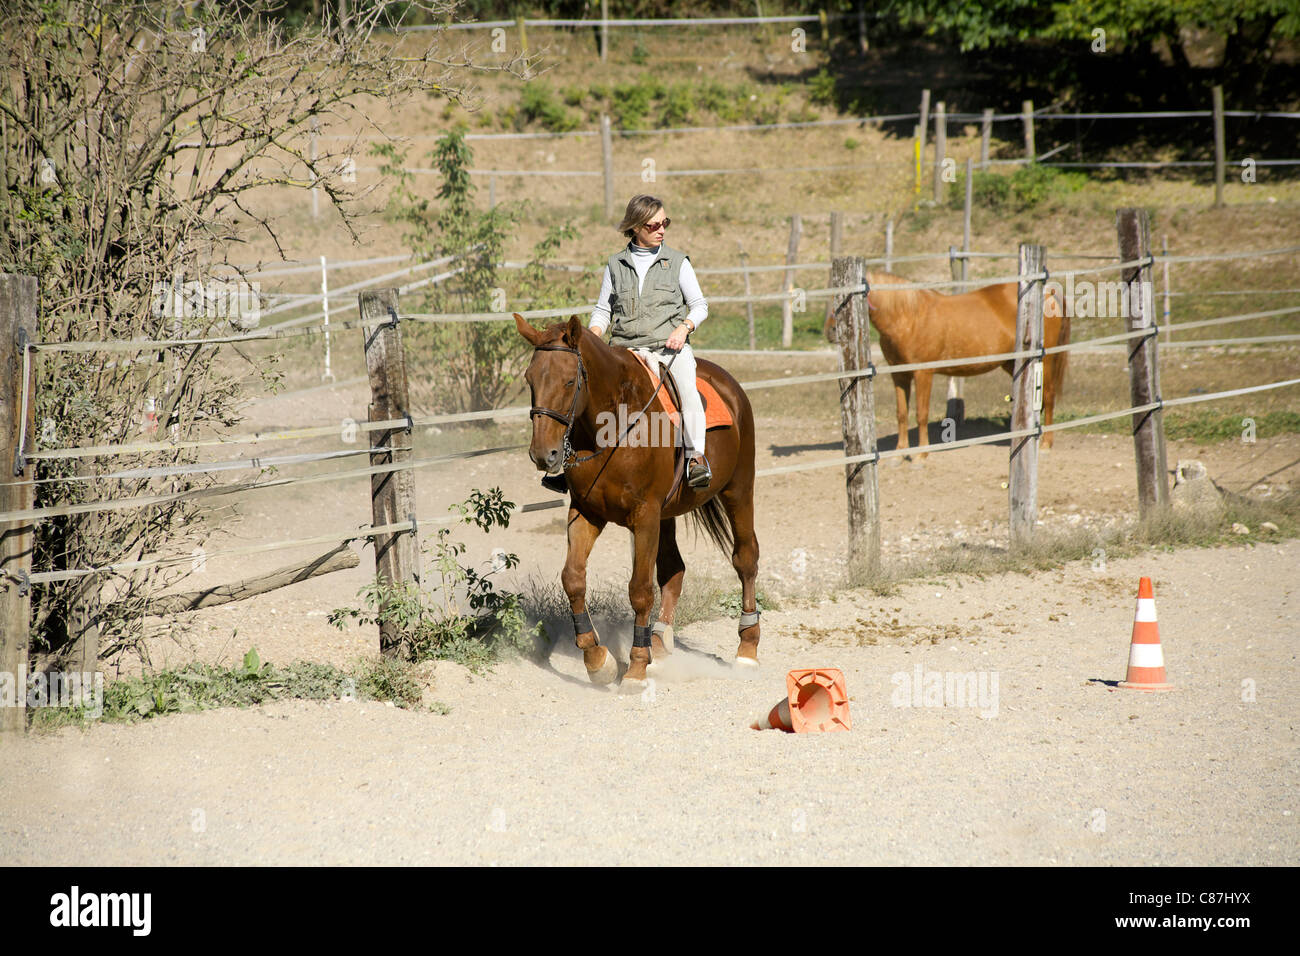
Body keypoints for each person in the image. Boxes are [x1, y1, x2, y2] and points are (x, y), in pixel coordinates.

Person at [591, 194, 712, 488]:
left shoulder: (678, 262)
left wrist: (683, 328)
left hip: (668, 350)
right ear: (634, 227)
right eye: (654, 224)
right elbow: (603, 309)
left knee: (687, 389)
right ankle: (570, 463)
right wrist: (592, 336)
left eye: (665, 222)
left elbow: (699, 305)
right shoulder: (615, 264)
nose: (662, 230)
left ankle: (696, 458)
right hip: (625, 350)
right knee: (585, 390)